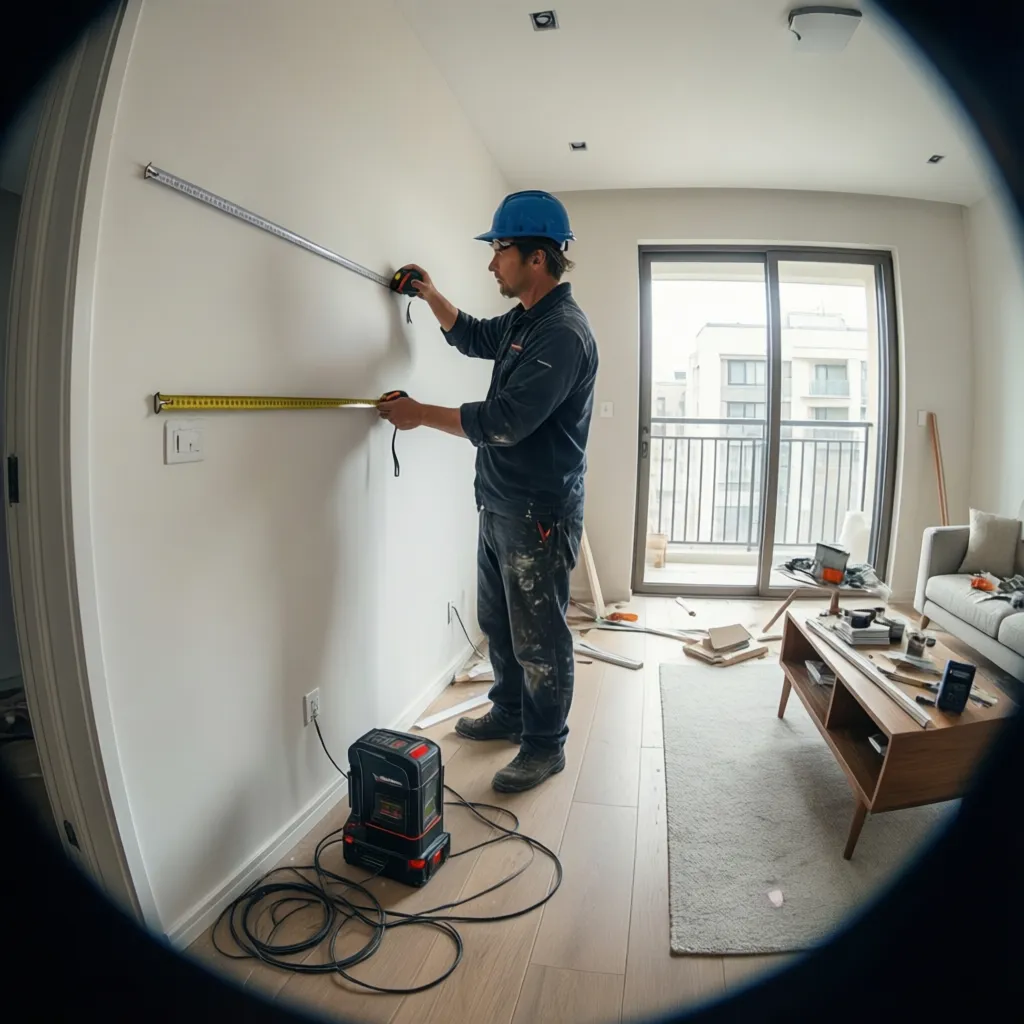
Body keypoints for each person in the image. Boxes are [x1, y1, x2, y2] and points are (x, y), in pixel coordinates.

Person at [379, 191, 598, 792]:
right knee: (498, 621)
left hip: (538, 511)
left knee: (539, 637)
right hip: (501, 499)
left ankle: (546, 745)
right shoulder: (527, 317)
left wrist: (420, 414)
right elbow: (474, 336)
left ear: (536, 257)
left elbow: (505, 422)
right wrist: (430, 295)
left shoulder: (562, 333)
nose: (491, 263)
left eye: (500, 250)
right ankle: (509, 711)